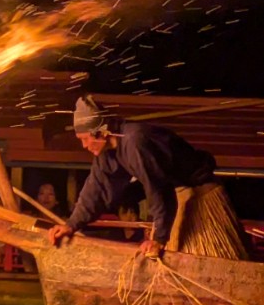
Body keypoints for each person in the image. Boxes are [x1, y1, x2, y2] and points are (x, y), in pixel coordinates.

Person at [47, 95, 249, 260]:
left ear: (100, 133)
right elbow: (96, 189)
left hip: (198, 194)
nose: (84, 146)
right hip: (177, 196)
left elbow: (158, 188)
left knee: (200, 258)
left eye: (84, 139)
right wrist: (70, 224)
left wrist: (159, 238)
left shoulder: (135, 142)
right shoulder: (107, 154)